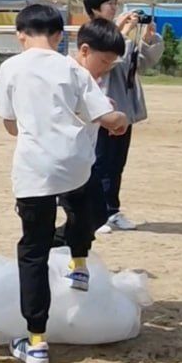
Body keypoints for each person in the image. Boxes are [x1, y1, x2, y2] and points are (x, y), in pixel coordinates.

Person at [0, 4, 127, 363]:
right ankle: (79, 263)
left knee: (33, 253)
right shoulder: (72, 67)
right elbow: (107, 115)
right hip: (74, 165)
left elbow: (9, 124)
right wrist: (121, 122)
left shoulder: (9, 68)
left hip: (33, 170)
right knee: (82, 204)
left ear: (20, 34)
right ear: (59, 36)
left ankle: (36, 341)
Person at [83, 0, 163, 232]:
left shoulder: (122, 36)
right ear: (95, 8)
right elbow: (99, 65)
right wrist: (120, 34)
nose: (114, 8)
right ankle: (96, 212)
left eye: (116, 3)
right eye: (109, 4)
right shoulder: (90, 34)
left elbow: (140, 63)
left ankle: (111, 210)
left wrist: (150, 38)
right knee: (100, 162)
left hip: (123, 109)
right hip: (102, 107)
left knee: (116, 163)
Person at [54, 18, 127, 244]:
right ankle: (51, 248)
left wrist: (103, 106)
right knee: (86, 218)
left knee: (93, 216)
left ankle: (59, 249)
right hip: (65, 161)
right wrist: (117, 118)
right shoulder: (70, 73)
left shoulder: (83, 76)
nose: (106, 69)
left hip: (83, 160)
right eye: (104, 61)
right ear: (85, 50)